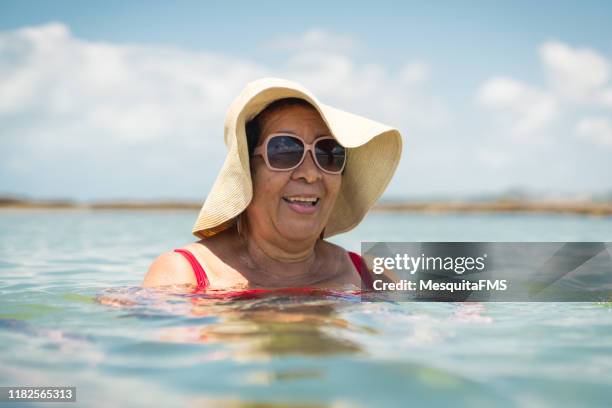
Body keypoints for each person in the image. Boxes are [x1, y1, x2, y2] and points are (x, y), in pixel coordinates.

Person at [143, 78, 402, 292]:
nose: (311, 174)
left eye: (328, 153)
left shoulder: (370, 270)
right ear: (246, 169)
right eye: (285, 149)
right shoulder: (182, 273)